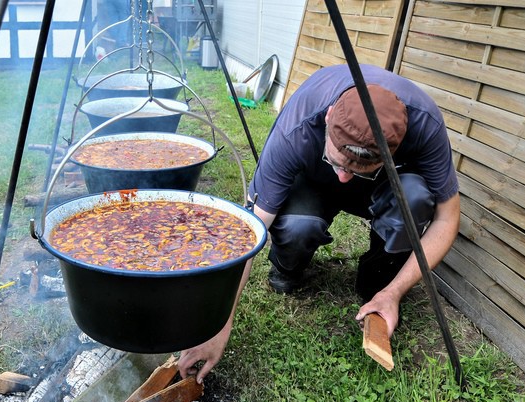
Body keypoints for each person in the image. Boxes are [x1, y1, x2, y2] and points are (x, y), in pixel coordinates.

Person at [177, 64, 460, 383]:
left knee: (415, 197)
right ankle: (288, 266)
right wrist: (219, 321)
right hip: (311, 184)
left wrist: (394, 291)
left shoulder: (425, 125)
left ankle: (379, 287)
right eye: (336, 161)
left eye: (360, 168)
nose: (343, 177)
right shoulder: (297, 127)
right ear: (327, 119)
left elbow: (447, 219)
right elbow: (250, 229)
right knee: (298, 226)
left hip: (381, 191)